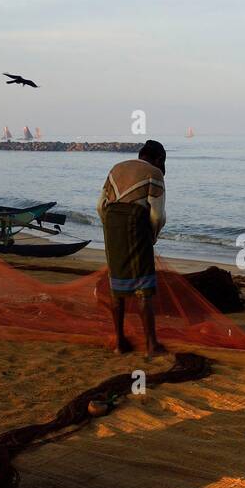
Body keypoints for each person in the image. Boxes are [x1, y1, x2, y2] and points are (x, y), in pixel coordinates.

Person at [97, 139, 167, 356]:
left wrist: (110, 228)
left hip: (111, 224)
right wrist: (152, 237)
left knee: (116, 284)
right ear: (158, 159)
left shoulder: (117, 169)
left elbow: (100, 206)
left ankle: (120, 343)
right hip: (135, 225)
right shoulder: (154, 173)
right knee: (143, 287)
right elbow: (157, 216)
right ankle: (151, 345)